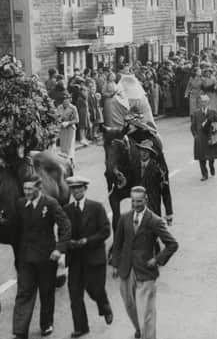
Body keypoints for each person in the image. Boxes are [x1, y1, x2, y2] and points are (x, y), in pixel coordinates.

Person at [111, 186, 179, 339]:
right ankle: (138, 329)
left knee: (146, 311)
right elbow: (118, 243)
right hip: (126, 269)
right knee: (129, 304)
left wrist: (157, 260)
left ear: (146, 200)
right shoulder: (124, 218)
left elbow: (172, 244)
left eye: (139, 201)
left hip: (146, 271)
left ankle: (148, 335)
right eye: (133, 201)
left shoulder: (154, 220)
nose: (136, 205)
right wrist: (115, 264)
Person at [12, 176, 71, 339]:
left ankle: (46, 324)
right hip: (26, 258)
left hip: (47, 257)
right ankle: (20, 331)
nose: (27, 192)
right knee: (24, 292)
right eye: (25, 189)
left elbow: (65, 225)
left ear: (39, 188)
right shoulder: (20, 204)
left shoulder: (50, 203)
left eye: (30, 189)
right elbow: (14, 229)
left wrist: (59, 249)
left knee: (46, 293)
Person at [63, 176, 113, 338]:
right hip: (75, 259)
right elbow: (62, 231)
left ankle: (104, 305)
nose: (76, 191)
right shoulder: (67, 210)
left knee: (95, 290)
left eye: (79, 188)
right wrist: (67, 242)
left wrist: (87, 241)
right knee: (75, 294)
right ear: (70, 191)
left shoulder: (96, 207)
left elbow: (105, 231)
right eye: (73, 189)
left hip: (94, 257)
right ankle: (81, 327)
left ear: (85, 189)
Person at [135, 140, 173, 224]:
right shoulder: (135, 168)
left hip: (153, 209)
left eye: (146, 151)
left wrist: (169, 213)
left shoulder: (158, 170)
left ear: (150, 153)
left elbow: (165, 193)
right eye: (142, 150)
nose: (143, 153)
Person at [190, 95, 217, 181]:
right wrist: (195, 136)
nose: (203, 103)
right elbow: (192, 127)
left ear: (208, 103)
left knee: (211, 157)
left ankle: (211, 165)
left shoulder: (213, 112)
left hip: (210, 137)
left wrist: (216, 133)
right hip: (200, 139)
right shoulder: (196, 113)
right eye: (201, 102)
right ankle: (204, 174)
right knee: (201, 158)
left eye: (205, 102)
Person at [57, 92, 79, 164]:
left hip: (70, 129)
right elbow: (57, 117)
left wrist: (68, 123)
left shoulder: (73, 108)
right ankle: (64, 161)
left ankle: (71, 160)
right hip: (62, 128)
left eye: (67, 99)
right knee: (63, 146)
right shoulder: (59, 107)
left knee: (69, 146)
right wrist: (59, 121)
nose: (65, 101)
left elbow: (77, 120)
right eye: (64, 99)